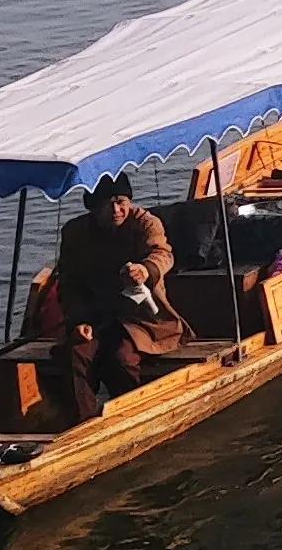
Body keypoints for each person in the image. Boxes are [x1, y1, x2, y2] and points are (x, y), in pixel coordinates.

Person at [48, 174, 188, 423]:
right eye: (106, 204)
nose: (116, 210)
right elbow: (69, 283)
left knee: (121, 359)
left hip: (141, 319)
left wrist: (146, 269)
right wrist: (77, 321)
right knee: (76, 354)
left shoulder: (145, 223)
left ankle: (131, 418)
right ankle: (84, 424)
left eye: (120, 201)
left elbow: (162, 253)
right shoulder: (75, 232)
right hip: (96, 315)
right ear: (92, 207)